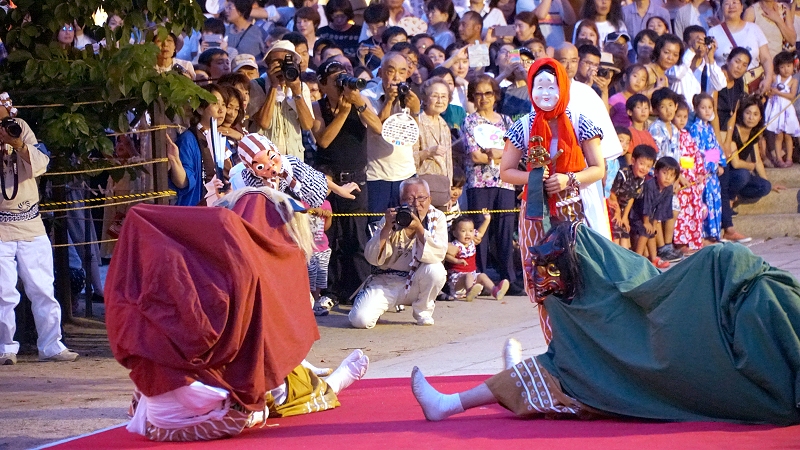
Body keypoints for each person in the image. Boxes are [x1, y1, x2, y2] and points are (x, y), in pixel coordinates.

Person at [411, 221, 800, 426]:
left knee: (549, 376)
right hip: (607, 366)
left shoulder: (762, 299)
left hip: (617, 377)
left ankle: (450, 405)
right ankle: (454, 403)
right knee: (548, 372)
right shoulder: (604, 281)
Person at [107, 188, 369, 442]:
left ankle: (316, 384)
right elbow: (263, 358)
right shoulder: (249, 273)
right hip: (209, 413)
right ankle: (330, 386)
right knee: (269, 386)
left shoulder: (187, 273)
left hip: (156, 416)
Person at [500, 58, 606, 343]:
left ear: (563, 87)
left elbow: (598, 168)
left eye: (552, 86)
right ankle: (555, 348)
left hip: (572, 211)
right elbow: (506, 172)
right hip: (536, 213)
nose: (545, 93)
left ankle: (584, 346)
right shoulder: (523, 126)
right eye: (539, 86)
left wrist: (568, 179)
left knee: (578, 275)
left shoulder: (580, 121)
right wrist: (535, 178)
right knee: (544, 281)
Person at [0, 96, 78, 366]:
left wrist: (18, 143)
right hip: (0, 228)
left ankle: (52, 346)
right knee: (3, 294)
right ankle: (5, 348)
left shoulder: (19, 127)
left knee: (43, 289)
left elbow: (41, 164)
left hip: (31, 223)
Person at [311, 59, 383, 304]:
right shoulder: (317, 107)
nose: (342, 84)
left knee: (356, 238)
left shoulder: (359, 103)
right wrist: (342, 113)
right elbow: (323, 140)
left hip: (356, 179)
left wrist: (358, 103)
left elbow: (378, 127)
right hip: (327, 180)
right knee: (328, 238)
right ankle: (329, 292)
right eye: (336, 80)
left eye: (344, 77)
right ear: (323, 84)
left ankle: (359, 290)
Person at [349, 178, 448, 328]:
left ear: (430, 199)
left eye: (421, 198)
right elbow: (373, 258)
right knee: (360, 320)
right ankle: (371, 299)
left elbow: (439, 253)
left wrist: (419, 229)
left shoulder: (437, 217)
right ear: (401, 200)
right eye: (409, 199)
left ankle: (423, 311)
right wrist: (387, 227)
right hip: (386, 282)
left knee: (436, 270)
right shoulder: (391, 218)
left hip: (416, 281)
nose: (416, 203)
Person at [463, 75, 519, 294]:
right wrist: (499, 155)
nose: (483, 98)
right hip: (479, 182)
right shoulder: (470, 121)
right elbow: (475, 156)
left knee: (505, 229)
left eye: (488, 93)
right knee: (480, 230)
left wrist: (498, 154)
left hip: (505, 181)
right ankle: (480, 278)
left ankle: (509, 279)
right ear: (472, 97)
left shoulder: (506, 121)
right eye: (478, 93)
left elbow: (516, 152)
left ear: (495, 95)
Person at [362, 52, 422, 215]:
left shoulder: (410, 98)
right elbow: (376, 130)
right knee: (376, 229)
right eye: (391, 71)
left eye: (402, 72)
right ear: (380, 73)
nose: (397, 77)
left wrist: (415, 111)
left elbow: (412, 135)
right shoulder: (367, 96)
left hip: (406, 174)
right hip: (377, 176)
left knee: (407, 228)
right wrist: (389, 101)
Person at [251, 41, 314, 161]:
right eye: (277, 62)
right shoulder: (257, 85)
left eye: (285, 61)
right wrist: (273, 86)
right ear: (268, 64)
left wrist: (296, 91)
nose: (282, 66)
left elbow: (307, 125)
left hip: (293, 160)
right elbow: (264, 123)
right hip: (265, 161)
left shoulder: (301, 87)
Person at [169, 84, 227, 207]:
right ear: (200, 109)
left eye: (224, 104)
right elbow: (183, 183)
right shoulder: (188, 139)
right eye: (215, 104)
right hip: (197, 208)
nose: (221, 110)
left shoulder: (222, 138)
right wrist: (174, 161)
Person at [707, 0, 773, 95]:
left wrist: (768, 79)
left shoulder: (754, 29)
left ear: (742, 7)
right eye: (727, 4)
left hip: (752, 86)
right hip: (724, 88)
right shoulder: (713, 32)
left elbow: (766, 58)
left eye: (734, 3)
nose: (731, 6)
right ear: (721, 9)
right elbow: (708, 60)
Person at [730, 96, 783, 207]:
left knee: (765, 186)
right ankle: (728, 197)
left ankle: (737, 195)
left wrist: (768, 182)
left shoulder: (753, 133)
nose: (751, 118)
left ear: (760, 118)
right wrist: (750, 166)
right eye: (748, 113)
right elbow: (736, 163)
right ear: (742, 114)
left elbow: (758, 161)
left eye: (755, 114)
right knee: (743, 174)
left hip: (740, 175)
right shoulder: (733, 131)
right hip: (728, 172)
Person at [688, 92, 727, 244]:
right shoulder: (695, 129)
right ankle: (704, 235)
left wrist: (720, 164)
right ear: (696, 109)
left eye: (710, 107)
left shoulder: (709, 128)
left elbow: (715, 147)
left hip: (713, 173)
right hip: (703, 173)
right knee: (705, 202)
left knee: (714, 202)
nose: (707, 111)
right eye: (703, 107)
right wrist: (711, 165)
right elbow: (699, 151)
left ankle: (714, 233)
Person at [446, 214, 511, 301]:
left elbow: (480, 233)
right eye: (463, 231)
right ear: (455, 233)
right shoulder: (455, 245)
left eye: (470, 230)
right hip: (457, 280)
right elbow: (446, 256)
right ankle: (470, 292)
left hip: (472, 275)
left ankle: (495, 291)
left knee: (482, 275)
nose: (467, 234)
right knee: (468, 276)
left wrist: (487, 220)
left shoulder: (472, 242)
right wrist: (456, 260)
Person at [630, 156, 680, 268]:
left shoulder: (668, 188)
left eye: (672, 176)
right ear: (656, 172)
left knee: (652, 231)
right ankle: (637, 260)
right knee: (645, 231)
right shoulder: (649, 185)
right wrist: (647, 222)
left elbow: (663, 207)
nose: (668, 178)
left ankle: (654, 258)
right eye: (665, 173)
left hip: (649, 215)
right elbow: (646, 204)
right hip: (637, 214)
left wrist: (654, 222)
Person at [672, 99, 707, 253]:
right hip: (681, 179)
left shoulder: (688, 134)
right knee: (682, 213)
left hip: (693, 177)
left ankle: (694, 240)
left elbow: (699, 154)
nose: (681, 120)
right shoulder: (674, 134)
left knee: (694, 211)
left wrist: (701, 173)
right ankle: (681, 243)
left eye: (685, 117)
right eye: (678, 116)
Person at [610, 144, 655, 249]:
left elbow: (631, 197)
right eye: (642, 164)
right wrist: (617, 213)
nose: (644, 168)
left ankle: (625, 260)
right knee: (616, 231)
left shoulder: (641, 179)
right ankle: (615, 257)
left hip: (622, 210)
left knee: (625, 231)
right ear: (633, 161)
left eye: (648, 166)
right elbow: (611, 193)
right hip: (612, 207)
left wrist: (625, 216)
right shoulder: (623, 174)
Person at [764, 51, 800, 167]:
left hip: (787, 109)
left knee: (788, 135)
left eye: (788, 66)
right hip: (776, 108)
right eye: (782, 67)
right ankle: (779, 158)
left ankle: (789, 158)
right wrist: (770, 92)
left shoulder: (793, 81)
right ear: (778, 68)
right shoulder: (775, 78)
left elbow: (792, 96)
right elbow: (768, 89)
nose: (786, 69)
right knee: (778, 135)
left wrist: (778, 93)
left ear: (793, 66)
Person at [307, 199, 333, 316]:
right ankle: (308, 302)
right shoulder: (302, 202)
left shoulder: (327, 204)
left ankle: (316, 301)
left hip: (323, 247)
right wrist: (311, 211)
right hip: (308, 248)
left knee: (321, 276)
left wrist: (329, 217)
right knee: (310, 275)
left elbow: (326, 227)